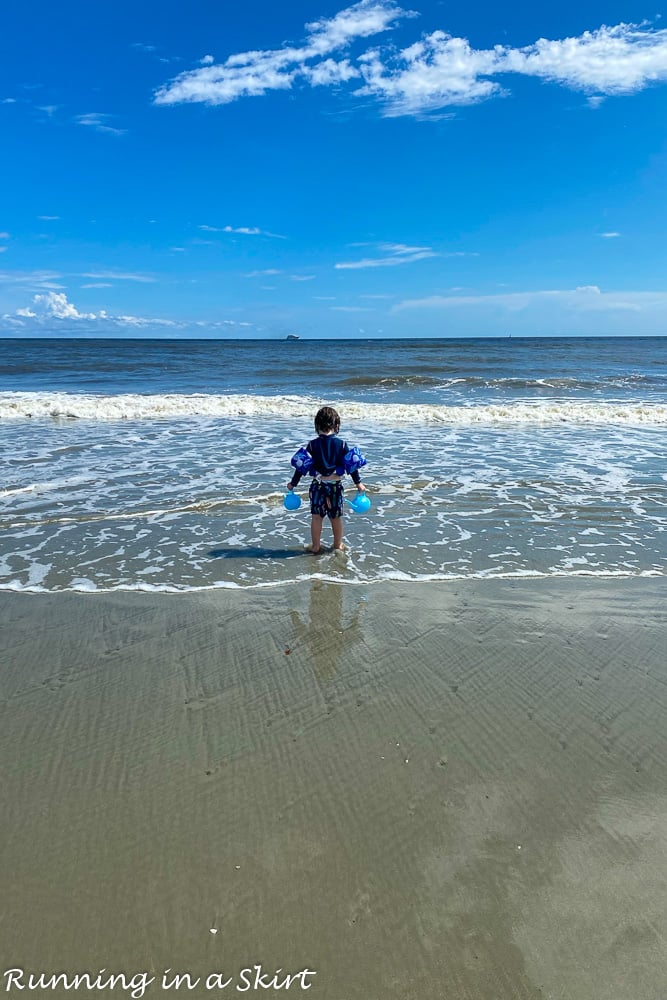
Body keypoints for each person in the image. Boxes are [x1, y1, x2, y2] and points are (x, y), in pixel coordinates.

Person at [287, 405, 367, 554]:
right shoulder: (342, 444)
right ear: (336, 425)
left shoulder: (312, 444)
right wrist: (358, 483)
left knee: (316, 517)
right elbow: (351, 466)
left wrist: (293, 483)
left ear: (317, 425)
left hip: (317, 485)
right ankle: (337, 545)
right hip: (335, 486)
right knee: (335, 518)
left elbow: (301, 466)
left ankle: (316, 546)